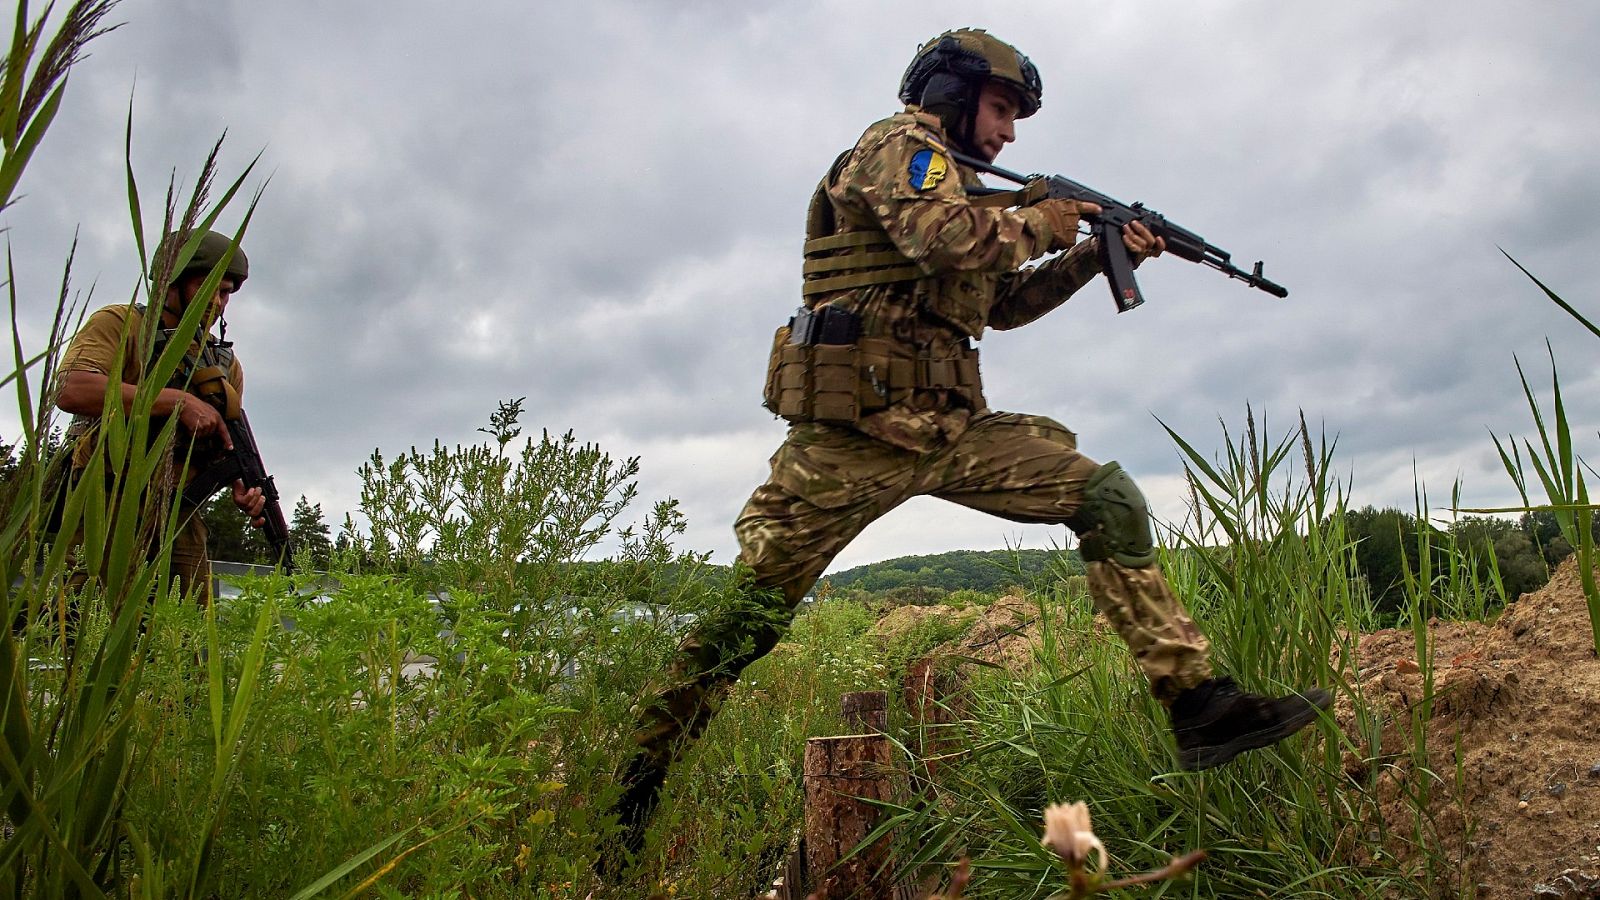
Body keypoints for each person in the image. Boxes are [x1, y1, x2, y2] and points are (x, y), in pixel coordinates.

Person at [603, 28, 1330, 867]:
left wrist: (1095, 257)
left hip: (950, 432)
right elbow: (945, 241)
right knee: (747, 624)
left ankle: (1198, 704)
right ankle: (630, 795)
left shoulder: (971, 191)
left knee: (1107, 497)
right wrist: (1050, 220)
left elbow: (1003, 305)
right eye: (1000, 108)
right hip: (848, 441)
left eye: (1016, 116)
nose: (1010, 132)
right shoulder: (898, 148)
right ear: (950, 93)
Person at [52, 229, 267, 612]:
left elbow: (224, 440)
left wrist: (238, 481)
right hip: (108, 501)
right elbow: (72, 389)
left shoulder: (224, 364)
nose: (217, 303)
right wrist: (176, 402)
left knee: (183, 631)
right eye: (207, 288)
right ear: (173, 282)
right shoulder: (121, 324)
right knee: (85, 620)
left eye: (226, 293)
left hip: (180, 513)